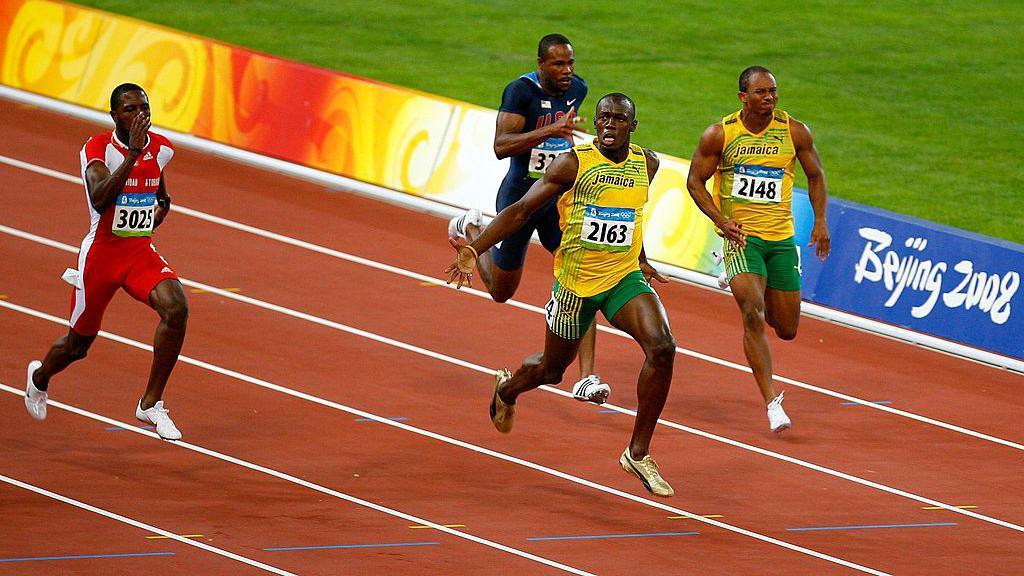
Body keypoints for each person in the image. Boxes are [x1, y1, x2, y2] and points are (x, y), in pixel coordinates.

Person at [447, 93, 678, 498]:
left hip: (621, 278)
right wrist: (476, 248)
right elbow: (520, 211)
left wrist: (640, 258)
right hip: (574, 284)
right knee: (551, 371)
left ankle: (637, 453)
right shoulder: (574, 163)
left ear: (633, 126)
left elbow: (630, 212)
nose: (608, 125)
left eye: (618, 120)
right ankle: (507, 390)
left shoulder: (649, 164)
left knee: (662, 347)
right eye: (603, 118)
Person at [448, 34, 611, 405]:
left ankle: (587, 377)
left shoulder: (578, 89)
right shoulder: (520, 92)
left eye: (570, 63)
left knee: (583, 274)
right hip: (519, 197)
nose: (567, 71)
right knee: (502, 292)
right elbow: (501, 147)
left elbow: (565, 141)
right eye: (558, 64)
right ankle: (472, 227)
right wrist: (550, 131)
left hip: (556, 202)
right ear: (541, 64)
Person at [24, 83, 188, 440]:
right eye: (130, 109)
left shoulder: (161, 150)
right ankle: (40, 377)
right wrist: (131, 154)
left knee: (176, 308)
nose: (139, 114)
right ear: (114, 116)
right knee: (77, 345)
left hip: (138, 253)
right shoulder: (97, 149)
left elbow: (158, 189)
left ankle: (150, 404)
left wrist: (159, 208)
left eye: (144, 107)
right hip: (101, 256)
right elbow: (99, 199)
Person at [685, 66, 831, 433]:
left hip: (781, 239)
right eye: (762, 92)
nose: (770, 97)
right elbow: (694, 182)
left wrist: (821, 222)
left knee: (787, 328)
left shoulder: (794, 131)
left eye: (774, 91)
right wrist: (721, 221)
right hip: (741, 239)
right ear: (743, 97)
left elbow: (815, 175)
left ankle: (746, 280)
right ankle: (771, 402)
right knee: (752, 310)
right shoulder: (721, 134)